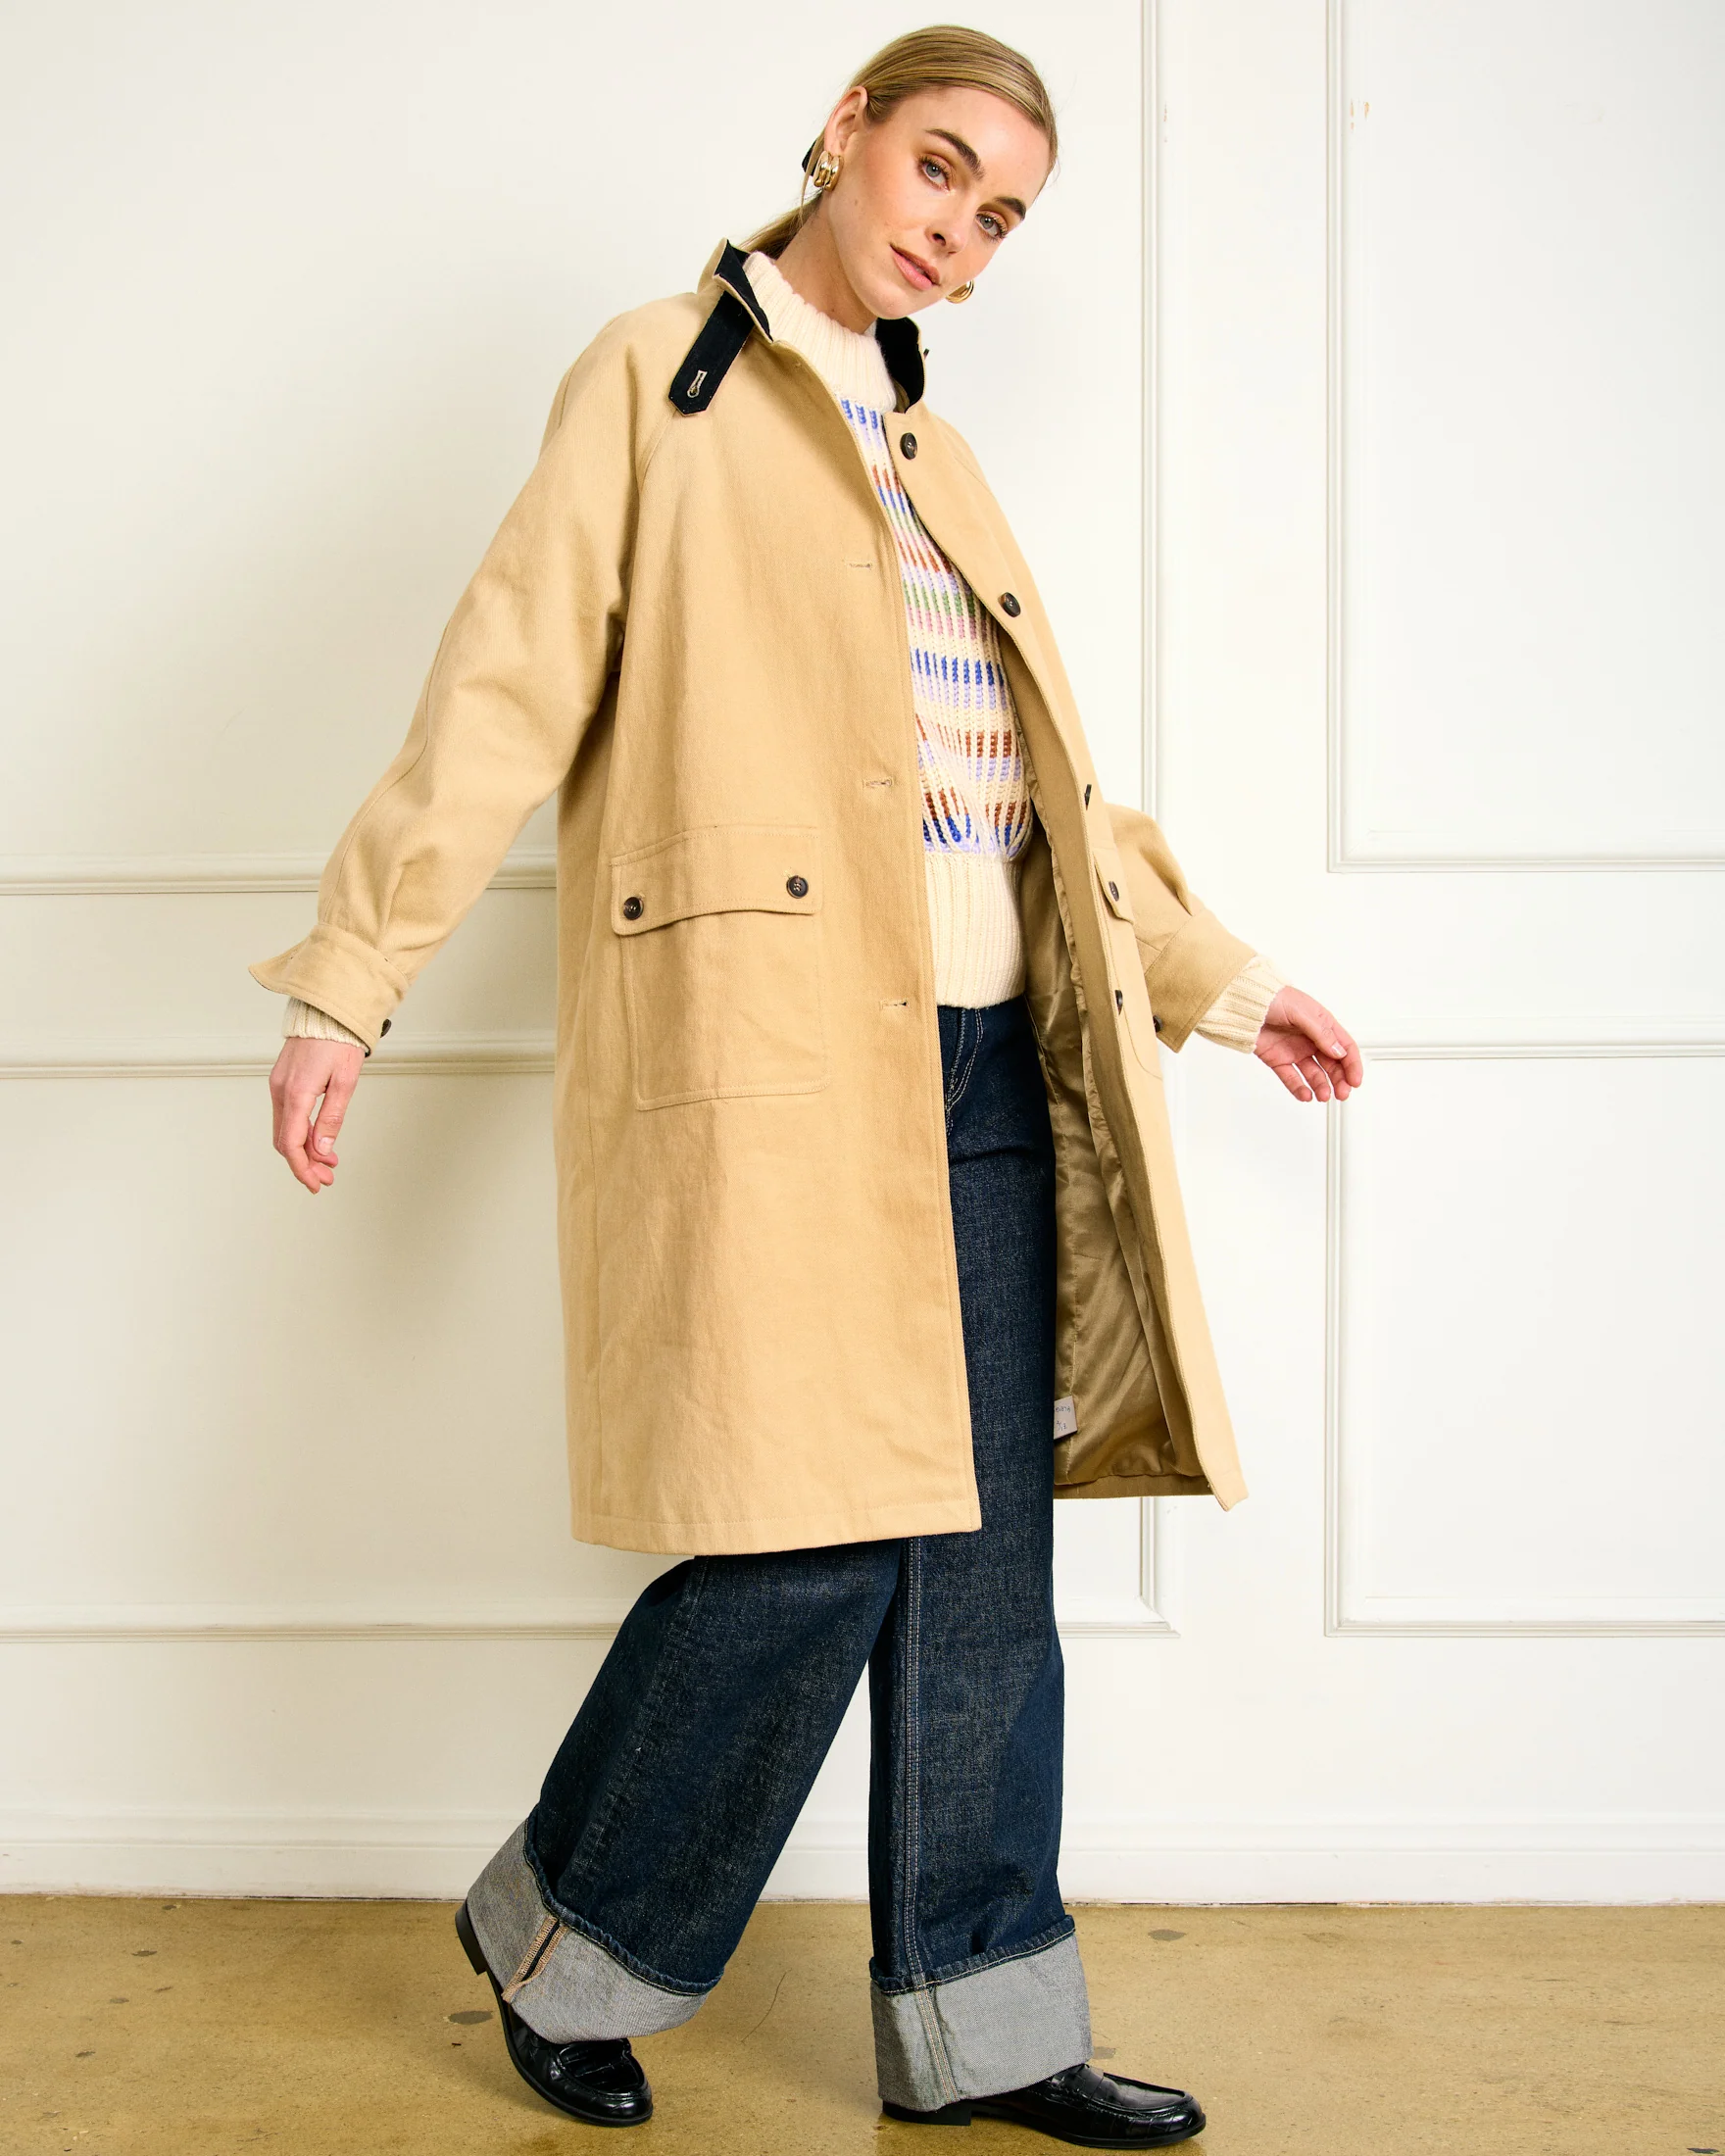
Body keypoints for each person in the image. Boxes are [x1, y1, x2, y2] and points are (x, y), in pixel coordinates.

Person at [251, 25, 1362, 2146]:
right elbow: (497, 692)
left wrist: (1223, 984)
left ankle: (988, 2028)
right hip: (776, 1062)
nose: (960, 233)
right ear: (846, 130)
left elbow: (1044, 803)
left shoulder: (941, 453)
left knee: (985, 1571)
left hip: (991, 1062)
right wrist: (348, 984)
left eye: (1002, 215)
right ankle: (569, 1935)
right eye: (940, 169)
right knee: (802, 1544)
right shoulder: (656, 381)